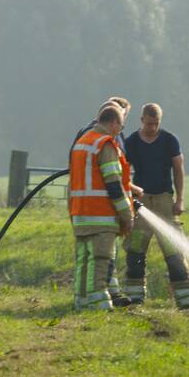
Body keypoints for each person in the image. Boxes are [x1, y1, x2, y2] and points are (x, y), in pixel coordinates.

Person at [122, 103, 189, 309]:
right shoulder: (131, 142)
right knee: (136, 248)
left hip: (165, 199)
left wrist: (180, 199)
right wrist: (129, 195)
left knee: (173, 248)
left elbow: (178, 169)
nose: (152, 128)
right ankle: (134, 297)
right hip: (140, 200)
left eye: (156, 124)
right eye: (149, 124)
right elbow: (122, 172)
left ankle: (187, 300)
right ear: (141, 120)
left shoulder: (170, 141)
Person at [71, 97, 139, 306]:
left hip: (81, 215)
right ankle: (98, 301)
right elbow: (113, 184)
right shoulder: (105, 144)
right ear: (113, 122)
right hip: (101, 214)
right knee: (101, 258)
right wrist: (127, 215)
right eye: (121, 126)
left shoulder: (82, 142)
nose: (120, 131)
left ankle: (81, 300)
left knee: (83, 261)